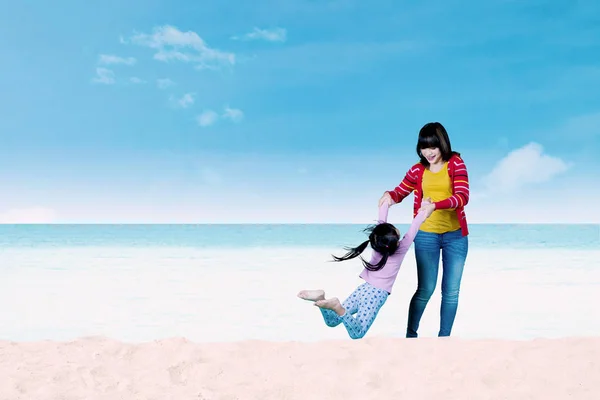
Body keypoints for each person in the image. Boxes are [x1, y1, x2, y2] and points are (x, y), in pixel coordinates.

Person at [379, 122, 470, 338]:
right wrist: (388, 196)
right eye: (424, 147)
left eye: (433, 147)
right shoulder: (418, 170)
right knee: (425, 289)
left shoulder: (456, 164)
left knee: (451, 292)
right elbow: (400, 191)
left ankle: (444, 338)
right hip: (426, 236)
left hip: (455, 237)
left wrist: (434, 206)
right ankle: (411, 336)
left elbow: (462, 197)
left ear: (442, 144)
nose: (428, 152)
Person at [297, 201, 434, 340]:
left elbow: (381, 223)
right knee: (357, 333)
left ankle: (321, 298)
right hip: (377, 295)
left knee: (332, 322)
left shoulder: (377, 244)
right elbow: (414, 228)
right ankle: (337, 307)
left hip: (363, 289)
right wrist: (424, 208)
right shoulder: (401, 249)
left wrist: (385, 204)